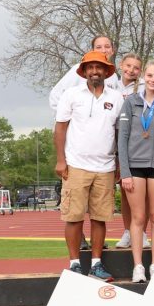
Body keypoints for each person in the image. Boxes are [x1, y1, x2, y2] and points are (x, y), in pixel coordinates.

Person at [54, 50, 124, 281]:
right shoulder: (71, 94)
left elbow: (119, 132)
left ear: (106, 71)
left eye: (99, 67)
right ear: (84, 71)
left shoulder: (116, 97)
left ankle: (96, 264)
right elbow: (60, 128)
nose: (95, 71)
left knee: (100, 217)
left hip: (105, 167)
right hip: (75, 165)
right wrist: (61, 160)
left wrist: (118, 163)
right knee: (73, 217)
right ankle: (74, 263)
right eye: (90, 68)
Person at [117, 59, 154, 282]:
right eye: (149, 76)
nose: (153, 80)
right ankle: (138, 266)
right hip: (135, 167)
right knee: (138, 218)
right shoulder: (131, 102)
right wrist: (125, 173)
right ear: (143, 77)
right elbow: (122, 138)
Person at [113, 53, 146, 250]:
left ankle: (141, 232)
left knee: (142, 192)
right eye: (128, 66)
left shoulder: (143, 86)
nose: (131, 70)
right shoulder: (111, 85)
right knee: (125, 189)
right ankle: (127, 231)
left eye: (135, 67)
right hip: (115, 137)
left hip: (137, 139)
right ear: (121, 65)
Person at [48, 35, 122, 113]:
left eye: (107, 46)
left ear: (112, 50)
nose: (103, 50)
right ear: (92, 50)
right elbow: (55, 95)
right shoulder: (79, 69)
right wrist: (64, 119)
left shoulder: (113, 77)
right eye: (98, 47)